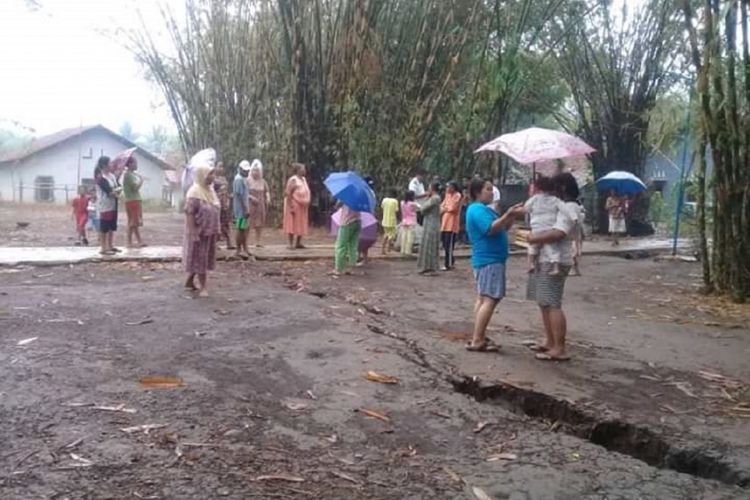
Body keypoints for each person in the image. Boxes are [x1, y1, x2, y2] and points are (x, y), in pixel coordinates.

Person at [465, 178, 524, 351]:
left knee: (484, 298)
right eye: (488, 189)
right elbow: (490, 229)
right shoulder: (477, 209)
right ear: (478, 192)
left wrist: (510, 216)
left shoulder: (483, 209)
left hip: (489, 258)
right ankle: (478, 339)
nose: (491, 192)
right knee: (490, 298)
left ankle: (479, 335)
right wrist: (507, 215)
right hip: (489, 259)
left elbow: (502, 227)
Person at [525, 173, 577, 361]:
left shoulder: (569, 207)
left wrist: (533, 238)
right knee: (544, 301)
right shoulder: (547, 203)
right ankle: (550, 340)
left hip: (555, 258)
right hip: (543, 257)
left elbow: (559, 233)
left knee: (553, 302)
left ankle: (559, 347)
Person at [183, 163, 220, 297]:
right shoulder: (194, 192)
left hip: (210, 231)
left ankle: (189, 281)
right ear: (202, 175)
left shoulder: (210, 191)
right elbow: (189, 213)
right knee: (200, 258)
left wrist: (218, 229)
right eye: (210, 173)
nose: (213, 176)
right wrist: (192, 232)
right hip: (199, 232)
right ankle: (203, 287)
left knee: (202, 258)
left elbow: (216, 210)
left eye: (213, 173)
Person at [523, 175, 569, 275]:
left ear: (537, 187)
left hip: (536, 228)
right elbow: (565, 210)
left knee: (532, 247)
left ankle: (531, 264)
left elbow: (525, 208)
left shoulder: (534, 199)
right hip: (549, 228)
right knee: (552, 249)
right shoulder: (556, 200)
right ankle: (556, 267)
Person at [94, 156, 121, 255]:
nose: (112, 165)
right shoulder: (101, 178)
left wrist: (116, 190)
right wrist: (115, 191)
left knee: (111, 226)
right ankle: (103, 248)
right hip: (104, 205)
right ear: (104, 165)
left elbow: (118, 186)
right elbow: (109, 192)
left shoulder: (112, 176)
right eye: (110, 163)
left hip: (113, 204)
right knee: (104, 226)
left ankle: (110, 245)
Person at [559, 174, 585, 276]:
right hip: (573, 234)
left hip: (569, 235)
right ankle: (574, 268)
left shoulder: (569, 205)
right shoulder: (574, 204)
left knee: (571, 251)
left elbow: (574, 219)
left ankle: (572, 268)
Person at [283, 163, 311, 249]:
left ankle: (298, 242)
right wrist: (290, 205)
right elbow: (288, 193)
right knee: (292, 223)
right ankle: (290, 243)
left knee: (301, 223)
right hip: (294, 204)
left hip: (302, 205)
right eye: (303, 169)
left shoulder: (303, 179)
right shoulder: (293, 180)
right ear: (298, 170)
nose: (304, 170)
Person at [417, 182, 441, 274]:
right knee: (427, 244)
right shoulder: (433, 198)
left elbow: (423, 208)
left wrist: (426, 199)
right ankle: (426, 267)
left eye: (429, 188)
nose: (428, 190)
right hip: (428, 222)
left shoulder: (435, 198)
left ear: (433, 189)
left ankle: (431, 267)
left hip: (432, 223)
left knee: (430, 244)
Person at [122, 156, 146, 248]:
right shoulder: (128, 175)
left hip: (133, 200)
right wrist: (141, 181)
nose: (137, 165)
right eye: (135, 163)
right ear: (130, 164)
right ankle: (128, 242)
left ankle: (139, 241)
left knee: (134, 222)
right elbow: (135, 188)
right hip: (133, 200)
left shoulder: (132, 174)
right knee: (132, 222)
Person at [332, 203, 360, 276]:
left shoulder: (346, 195)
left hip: (347, 222)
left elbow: (337, 205)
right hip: (357, 221)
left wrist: (337, 205)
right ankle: (351, 268)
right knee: (353, 246)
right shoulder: (359, 196)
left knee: (341, 246)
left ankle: (339, 269)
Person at [247, 159, 270, 247]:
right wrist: (251, 197)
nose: (255, 172)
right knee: (247, 223)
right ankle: (245, 241)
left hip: (260, 205)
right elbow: (244, 193)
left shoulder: (263, 181)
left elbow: (267, 191)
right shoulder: (247, 180)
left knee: (259, 223)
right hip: (250, 204)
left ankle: (258, 241)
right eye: (254, 170)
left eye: (257, 170)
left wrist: (268, 198)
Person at [440, 181, 461, 271]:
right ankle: (451, 260)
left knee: (449, 244)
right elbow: (442, 206)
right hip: (445, 222)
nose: (447, 189)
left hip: (452, 224)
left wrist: (445, 209)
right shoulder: (447, 195)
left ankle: (447, 264)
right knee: (444, 243)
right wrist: (445, 209)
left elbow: (453, 208)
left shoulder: (457, 195)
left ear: (453, 187)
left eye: (449, 187)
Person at [212, 161, 234, 250]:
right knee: (217, 223)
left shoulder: (224, 178)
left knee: (226, 223)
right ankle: (215, 243)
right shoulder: (213, 178)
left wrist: (229, 197)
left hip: (225, 203)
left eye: (222, 167)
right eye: (219, 166)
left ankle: (229, 242)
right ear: (215, 167)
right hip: (216, 203)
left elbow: (226, 191)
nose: (221, 168)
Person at [233, 160, 252, 259]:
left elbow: (245, 194)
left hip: (243, 208)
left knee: (244, 229)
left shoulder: (243, 179)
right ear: (240, 169)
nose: (247, 172)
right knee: (240, 229)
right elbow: (240, 196)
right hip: (241, 209)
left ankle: (244, 248)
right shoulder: (239, 180)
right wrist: (246, 209)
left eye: (248, 171)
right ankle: (238, 249)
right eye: (245, 171)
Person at [381, 189, 399, 255]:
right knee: (391, 235)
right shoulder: (395, 201)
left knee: (385, 234)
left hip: (385, 220)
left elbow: (382, 207)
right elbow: (396, 210)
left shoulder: (384, 200)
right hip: (392, 221)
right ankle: (388, 248)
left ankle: (383, 249)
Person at [400, 190, 418, 256]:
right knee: (410, 237)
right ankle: (408, 251)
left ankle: (403, 250)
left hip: (404, 220)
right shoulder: (413, 204)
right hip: (411, 221)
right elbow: (420, 207)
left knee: (403, 236)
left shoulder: (402, 203)